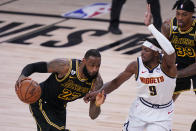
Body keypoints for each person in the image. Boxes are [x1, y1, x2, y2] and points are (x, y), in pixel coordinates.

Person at [84, 7, 177, 130]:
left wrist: (150, 27)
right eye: (142, 49)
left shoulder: (167, 67)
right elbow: (115, 82)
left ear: (156, 53)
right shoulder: (136, 65)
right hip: (140, 109)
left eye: (146, 50)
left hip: (162, 114)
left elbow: (170, 50)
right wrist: (99, 91)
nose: (142, 53)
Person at [15, 49, 105, 131]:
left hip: (60, 108)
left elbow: (93, 115)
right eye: (92, 65)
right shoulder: (65, 66)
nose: (95, 69)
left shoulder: (96, 82)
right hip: (41, 100)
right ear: (84, 61)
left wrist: (97, 104)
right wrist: (23, 76)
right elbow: (34, 67)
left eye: (98, 66)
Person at [161, 0, 196, 101]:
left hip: (193, 64)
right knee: (165, 101)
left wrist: (177, 74)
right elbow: (164, 52)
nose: (180, 18)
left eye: (184, 15)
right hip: (178, 64)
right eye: (178, 14)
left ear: (192, 14)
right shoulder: (168, 26)